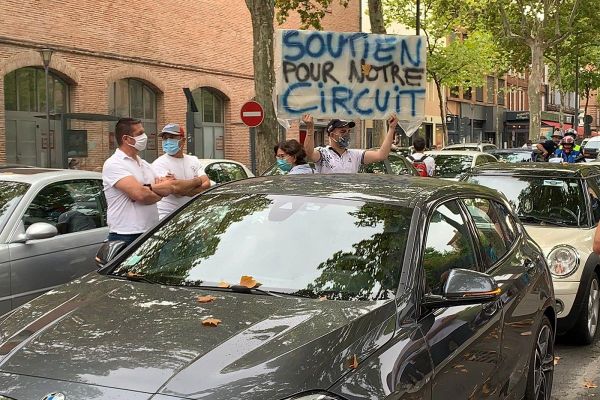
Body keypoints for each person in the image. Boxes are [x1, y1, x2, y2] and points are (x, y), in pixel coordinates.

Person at [102, 118, 206, 246]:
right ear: (126, 139)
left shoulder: (144, 164)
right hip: (126, 234)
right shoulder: (114, 164)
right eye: (139, 134)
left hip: (150, 231)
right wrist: (160, 189)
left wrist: (149, 188)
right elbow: (142, 195)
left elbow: (170, 186)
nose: (144, 137)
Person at [302, 113, 398, 173]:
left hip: (350, 201)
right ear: (331, 135)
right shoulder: (323, 153)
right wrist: (310, 128)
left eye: (348, 132)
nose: (347, 135)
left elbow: (381, 155)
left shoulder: (355, 155)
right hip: (329, 202)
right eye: (342, 132)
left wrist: (392, 128)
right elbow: (309, 152)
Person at [152, 123, 211, 220]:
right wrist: (197, 181)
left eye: (172, 137)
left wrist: (180, 187)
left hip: (191, 215)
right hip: (168, 217)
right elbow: (175, 189)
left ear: (183, 141)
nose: (167, 141)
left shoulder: (193, 160)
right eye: (165, 138)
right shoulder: (159, 163)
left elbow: (206, 184)